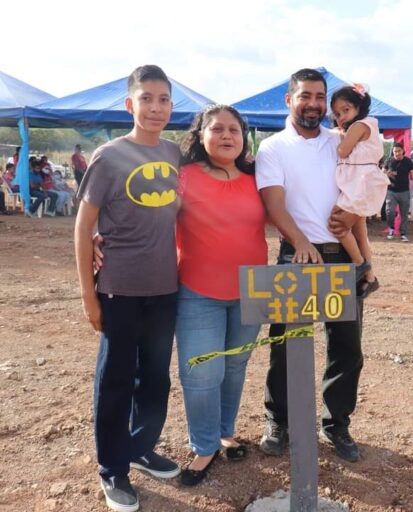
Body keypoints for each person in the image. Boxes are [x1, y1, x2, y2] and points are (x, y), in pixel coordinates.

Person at [74, 64, 181, 512]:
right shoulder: (109, 156)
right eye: (146, 98)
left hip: (165, 288)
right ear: (129, 104)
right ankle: (112, 468)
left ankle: (140, 447)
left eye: (163, 99)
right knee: (116, 380)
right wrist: (88, 294)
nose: (155, 108)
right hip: (119, 289)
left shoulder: (174, 153)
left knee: (155, 378)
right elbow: (83, 227)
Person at [256, 68, 366, 463]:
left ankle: (336, 424)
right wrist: (301, 242)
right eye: (306, 96)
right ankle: (278, 421)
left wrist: (362, 249)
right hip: (296, 257)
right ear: (289, 100)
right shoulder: (272, 148)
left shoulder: (341, 142)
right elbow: (274, 204)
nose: (314, 104)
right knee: (285, 345)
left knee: (347, 348)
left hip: (341, 256)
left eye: (320, 97)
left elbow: (359, 194)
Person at [173, 104, 267, 486]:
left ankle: (225, 432)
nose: (227, 135)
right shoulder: (182, 177)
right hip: (198, 292)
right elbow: (151, 218)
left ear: (244, 137)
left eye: (234, 129)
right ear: (201, 135)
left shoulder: (259, 178)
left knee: (234, 366)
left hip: (252, 291)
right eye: (217, 129)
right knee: (201, 373)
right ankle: (204, 445)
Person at [329, 84, 388, 295]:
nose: (341, 117)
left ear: (359, 107)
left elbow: (342, 151)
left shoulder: (359, 125)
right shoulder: (366, 126)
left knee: (337, 225)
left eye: (346, 110)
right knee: (360, 233)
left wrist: (338, 138)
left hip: (360, 185)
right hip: (359, 184)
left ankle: (358, 263)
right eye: (337, 114)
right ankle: (370, 278)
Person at [384, 143, 413, 242]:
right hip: (391, 191)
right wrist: (387, 174)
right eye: (395, 151)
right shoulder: (389, 160)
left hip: (404, 191)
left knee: (404, 213)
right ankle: (391, 229)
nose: (397, 153)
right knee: (389, 211)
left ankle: (403, 233)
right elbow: (382, 172)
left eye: (399, 151)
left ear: (403, 151)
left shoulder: (408, 162)